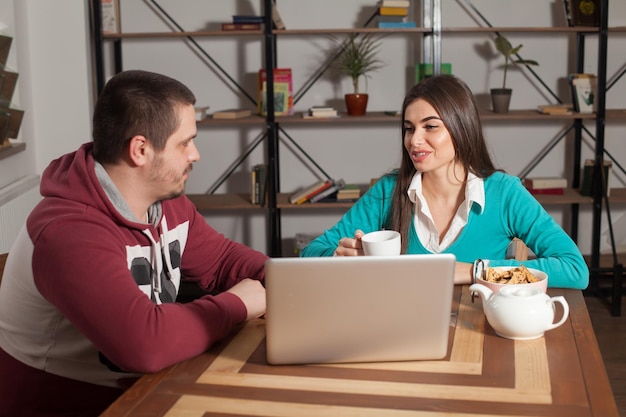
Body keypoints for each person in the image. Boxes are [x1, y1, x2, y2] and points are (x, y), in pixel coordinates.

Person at [0, 70, 267, 416]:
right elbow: (145, 345)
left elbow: (221, 260)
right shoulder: (68, 232)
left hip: (147, 391)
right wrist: (237, 304)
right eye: (185, 142)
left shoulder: (164, 201)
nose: (195, 154)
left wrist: (284, 280)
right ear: (140, 150)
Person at [301, 74, 589, 290]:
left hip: (480, 338)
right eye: (408, 128)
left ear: (461, 127)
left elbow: (574, 269)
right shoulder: (389, 191)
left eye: (430, 127)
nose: (414, 140)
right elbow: (309, 253)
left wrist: (476, 271)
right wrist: (338, 256)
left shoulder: (504, 192)